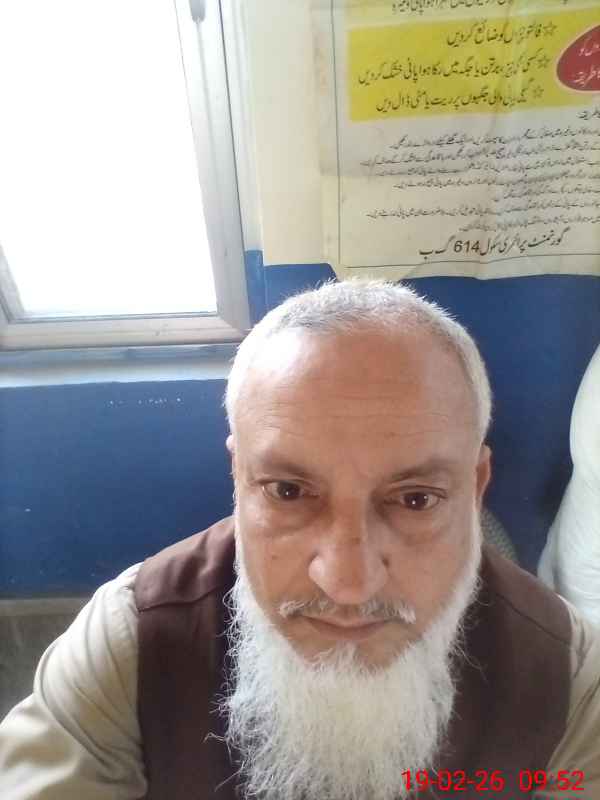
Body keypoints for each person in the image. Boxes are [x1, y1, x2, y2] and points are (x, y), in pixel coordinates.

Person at [1, 280, 599, 800]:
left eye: (415, 499)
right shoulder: (129, 644)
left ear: (475, 488)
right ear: (238, 479)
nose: (347, 583)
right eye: (288, 492)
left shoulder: (569, 684)